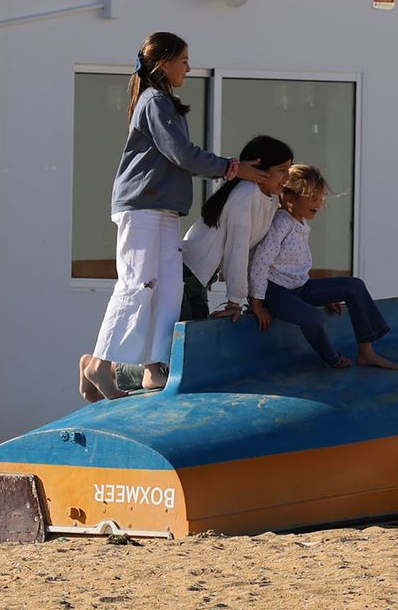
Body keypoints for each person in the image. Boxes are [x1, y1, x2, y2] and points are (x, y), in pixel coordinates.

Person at [79, 31, 270, 402]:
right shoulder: (154, 102)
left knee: (169, 287)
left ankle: (153, 365)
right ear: (163, 63)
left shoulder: (164, 102)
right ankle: (100, 365)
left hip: (164, 207)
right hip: (142, 206)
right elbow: (182, 154)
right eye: (183, 60)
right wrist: (233, 168)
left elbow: (182, 155)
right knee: (137, 284)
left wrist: (230, 168)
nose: (188, 67)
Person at [248, 164, 398, 370]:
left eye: (320, 197)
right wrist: (257, 304)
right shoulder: (281, 223)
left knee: (354, 286)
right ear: (290, 199)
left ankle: (366, 351)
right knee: (314, 317)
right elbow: (260, 262)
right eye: (312, 197)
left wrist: (325, 295)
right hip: (277, 293)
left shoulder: (299, 222)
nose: (318, 203)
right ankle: (332, 358)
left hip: (301, 288)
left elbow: (294, 265)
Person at [181, 135, 295, 323]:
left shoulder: (272, 199)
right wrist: (234, 302)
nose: (287, 177)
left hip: (199, 278)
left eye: (289, 170)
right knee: (183, 341)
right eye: (282, 170)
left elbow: (257, 252)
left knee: (196, 341)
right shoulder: (246, 193)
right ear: (260, 169)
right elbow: (238, 248)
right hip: (185, 276)